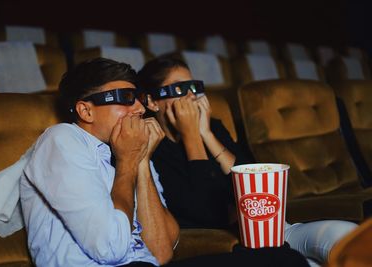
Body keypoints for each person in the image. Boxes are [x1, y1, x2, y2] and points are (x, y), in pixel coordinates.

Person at [20, 58, 309, 267]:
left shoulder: (130, 150)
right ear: (86, 110)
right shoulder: (62, 140)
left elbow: (161, 251)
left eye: (137, 97)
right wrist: (129, 163)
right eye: (125, 98)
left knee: (280, 256)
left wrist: (142, 161)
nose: (139, 107)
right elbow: (110, 248)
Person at [136, 54, 358, 267]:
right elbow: (208, 212)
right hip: (238, 246)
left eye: (193, 87)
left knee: (347, 237)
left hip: (267, 228)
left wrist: (207, 135)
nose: (190, 96)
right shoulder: (153, 148)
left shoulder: (212, 127)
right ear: (152, 102)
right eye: (178, 89)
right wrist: (191, 137)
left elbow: (255, 180)